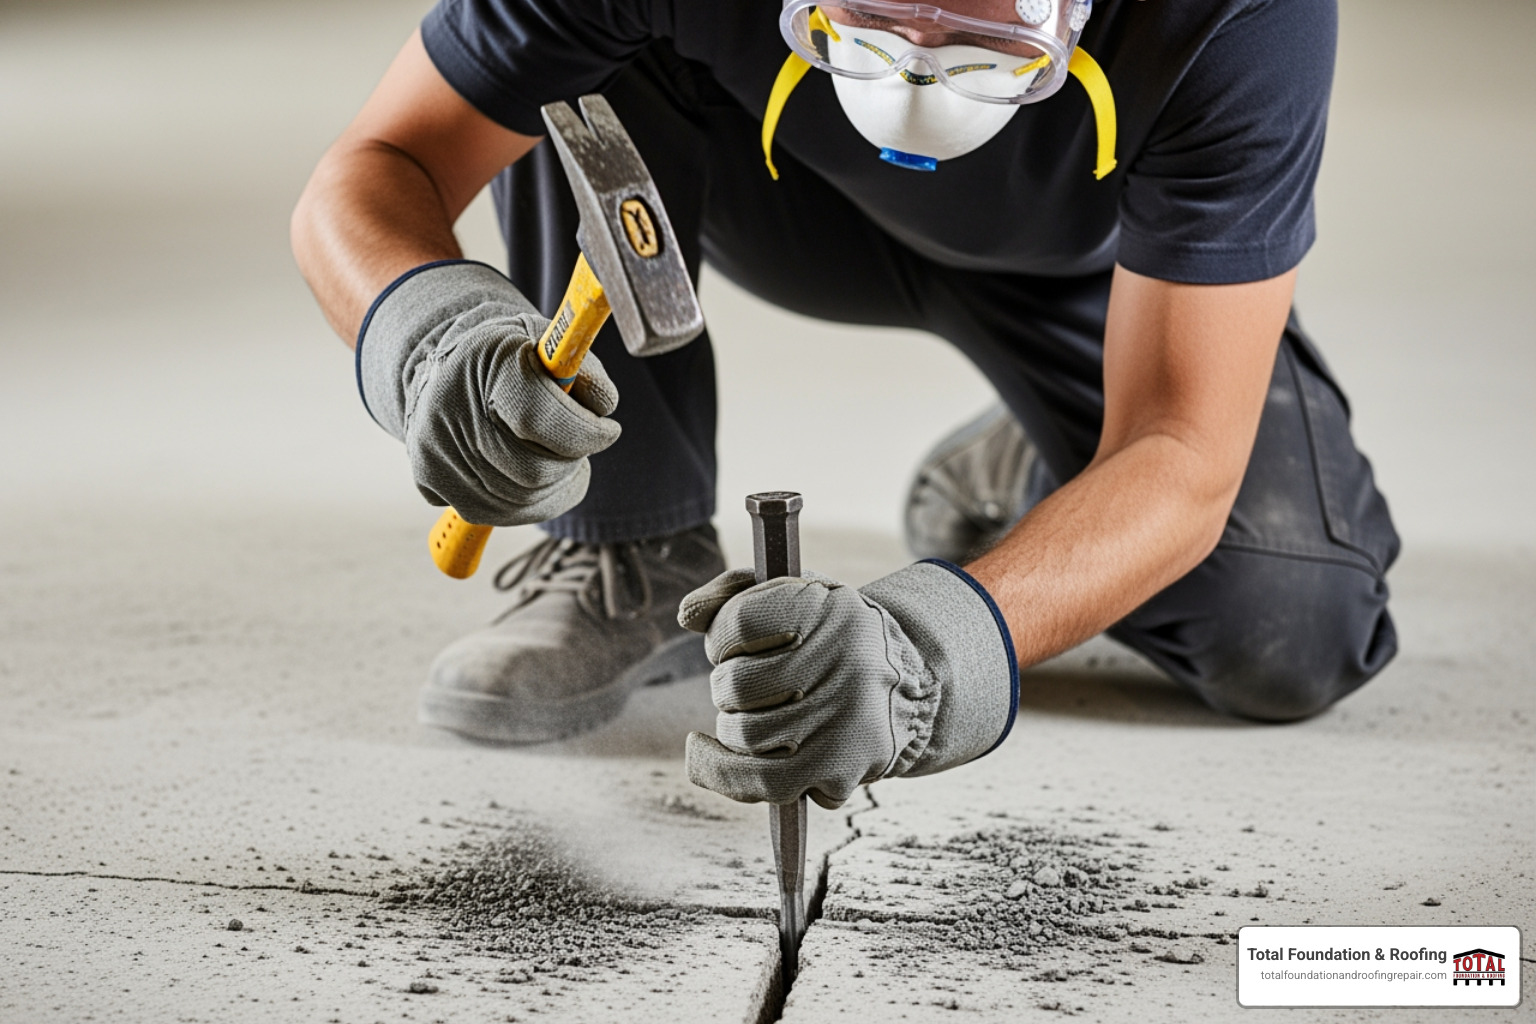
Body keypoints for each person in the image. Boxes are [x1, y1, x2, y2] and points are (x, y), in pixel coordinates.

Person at [292, 0, 1399, 810]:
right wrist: (431, 340)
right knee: (566, 72)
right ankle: (623, 536)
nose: (914, 69)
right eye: (870, 19)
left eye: (980, 37)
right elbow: (379, 161)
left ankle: (1038, 468)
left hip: (1090, 267)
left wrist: (931, 652)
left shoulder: (1243, 16)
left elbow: (1181, 444)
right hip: (775, 186)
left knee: (1289, 622)